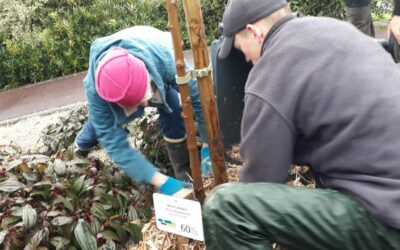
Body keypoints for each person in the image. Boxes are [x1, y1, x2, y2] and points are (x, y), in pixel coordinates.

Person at [202, 0, 400, 249]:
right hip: (387, 194)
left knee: (227, 209)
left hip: (387, 218)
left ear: (254, 32)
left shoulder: (272, 68)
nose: (248, 59)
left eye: (243, 50)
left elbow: (260, 185)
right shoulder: (335, 30)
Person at [74, 26, 213, 196]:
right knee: (98, 125)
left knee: (172, 108)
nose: (147, 105)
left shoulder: (166, 60)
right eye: (139, 104)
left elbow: (200, 97)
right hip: (110, 95)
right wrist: (159, 180)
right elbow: (116, 146)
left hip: (150, 46)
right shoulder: (96, 93)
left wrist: (208, 144)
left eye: (146, 97)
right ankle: (81, 143)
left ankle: (181, 168)